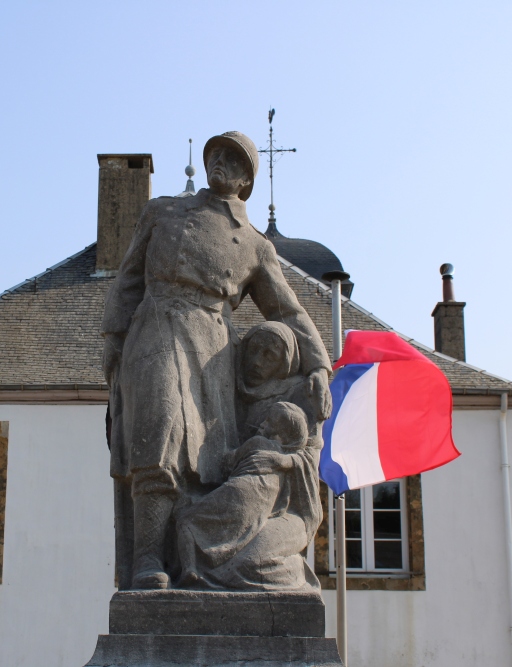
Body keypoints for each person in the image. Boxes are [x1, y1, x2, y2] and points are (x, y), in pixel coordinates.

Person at [101, 131, 332, 589]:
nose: (221, 162)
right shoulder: (162, 211)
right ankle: (149, 558)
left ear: (246, 179)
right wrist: (113, 341)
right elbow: (127, 281)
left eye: (233, 159)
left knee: (203, 459)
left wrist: (321, 366)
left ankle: (197, 550)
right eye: (217, 154)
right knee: (160, 435)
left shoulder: (253, 244)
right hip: (158, 325)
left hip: (212, 349)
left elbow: (286, 310)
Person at [176, 402, 323, 591]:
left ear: (281, 432)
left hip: (290, 518)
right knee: (240, 562)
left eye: (269, 421)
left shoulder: (289, 453)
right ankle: (196, 571)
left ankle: (192, 570)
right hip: (251, 504)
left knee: (248, 562)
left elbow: (228, 462)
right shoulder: (277, 449)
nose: (262, 423)